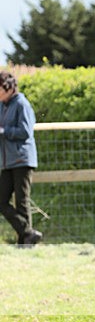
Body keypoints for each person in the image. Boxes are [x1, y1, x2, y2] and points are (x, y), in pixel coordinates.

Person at [0, 71, 42, 245]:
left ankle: (25, 240)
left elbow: (25, 131)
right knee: (1, 200)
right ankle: (28, 234)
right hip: (7, 160)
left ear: (9, 88)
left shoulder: (22, 104)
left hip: (22, 158)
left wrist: (4, 131)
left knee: (21, 201)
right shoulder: (3, 105)